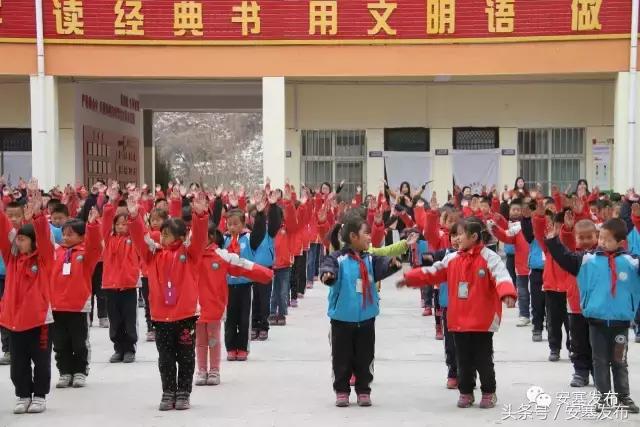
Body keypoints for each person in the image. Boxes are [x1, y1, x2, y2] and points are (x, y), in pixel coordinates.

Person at [398, 217, 517, 409]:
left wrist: (508, 294)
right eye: (454, 234)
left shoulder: (490, 257)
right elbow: (434, 272)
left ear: (474, 236)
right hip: (458, 319)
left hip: (482, 321)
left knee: (483, 359)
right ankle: (466, 391)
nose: (455, 239)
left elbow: (502, 276)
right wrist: (411, 278)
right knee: (463, 360)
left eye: (459, 234)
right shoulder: (451, 258)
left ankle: (488, 392)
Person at [545, 218, 640, 413]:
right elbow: (565, 258)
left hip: (620, 322)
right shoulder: (588, 260)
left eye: (607, 239)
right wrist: (554, 241)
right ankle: (604, 397)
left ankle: (623, 396)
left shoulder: (631, 263)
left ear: (621, 243)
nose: (602, 242)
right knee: (600, 361)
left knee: (619, 360)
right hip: (596, 322)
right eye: (601, 238)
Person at [128, 191, 209, 411]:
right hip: (161, 317)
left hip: (185, 317)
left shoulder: (189, 254)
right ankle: (168, 391)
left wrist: (200, 216)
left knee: (185, 356)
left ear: (181, 237)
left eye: (167, 234)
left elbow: (200, 239)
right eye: (161, 233)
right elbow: (138, 239)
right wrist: (134, 217)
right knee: (165, 358)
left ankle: (183, 392)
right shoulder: (152, 255)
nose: (161, 237)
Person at [319, 212, 401, 408]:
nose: (369, 238)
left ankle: (364, 390)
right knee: (341, 357)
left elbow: (382, 266)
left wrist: (393, 264)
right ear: (354, 237)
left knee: (365, 356)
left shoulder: (370, 259)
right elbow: (327, 267)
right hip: (341, 319)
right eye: (367, 234)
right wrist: (327, 275)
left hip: (366, 318)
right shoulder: (337, 258)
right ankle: (342, 390)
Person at [195, 222, 273, 386]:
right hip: (195, 307)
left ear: (209, 237)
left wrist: (266, 274)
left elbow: (243, 265)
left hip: (214, 306)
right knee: (200, 341)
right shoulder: (190, 256)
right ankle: (202, 370)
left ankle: (214, 370)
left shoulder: (221, 255)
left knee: (213, 340)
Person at [0, 188, 54, 414]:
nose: (17, 242)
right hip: (15, 321)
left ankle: (39, 395)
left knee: (40, 362)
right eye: (17, 238)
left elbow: (44, 237)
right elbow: (4, 231)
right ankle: (23, 394)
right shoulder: (11, 258)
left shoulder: (43, 259)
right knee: (17, 366)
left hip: (39, 321)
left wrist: (37, 217)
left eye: (22, 239)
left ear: (32, 242)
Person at [50, 208, 101, 390]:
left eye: (70, 234)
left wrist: (93, 226)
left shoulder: (86, 254)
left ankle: (80, 371)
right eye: (63, 234)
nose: (65, 238)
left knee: (79, 343)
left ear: (81, 236)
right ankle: (64, 372)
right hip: (57, 306)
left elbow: (96, 246)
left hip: (78, 307)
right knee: (60, 343)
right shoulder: (56, 253)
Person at [223, 194, 279, 361]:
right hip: (228, 286)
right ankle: (231, 347)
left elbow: (260, 232)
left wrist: (261, 214)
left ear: (243, 224)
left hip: (246, 285)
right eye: (229, 223)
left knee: (244, 318)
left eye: (236, 224)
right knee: (230, 319)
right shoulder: (224, 240)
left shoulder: (249, 239)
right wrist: (220, 200)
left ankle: (243, 348)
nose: (232, 227)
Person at [101, 184, 142, 363]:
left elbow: (139, 229)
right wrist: (111, 202)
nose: (121, 227)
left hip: (129, 286)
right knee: (115, 320)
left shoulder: (133, 240)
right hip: (111, 286)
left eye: (124, 224)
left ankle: (130, 349)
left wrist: (134, 213)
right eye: (118, 224)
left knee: (129, 319)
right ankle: (118, 348)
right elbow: (105, 223)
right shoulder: (108, 239)